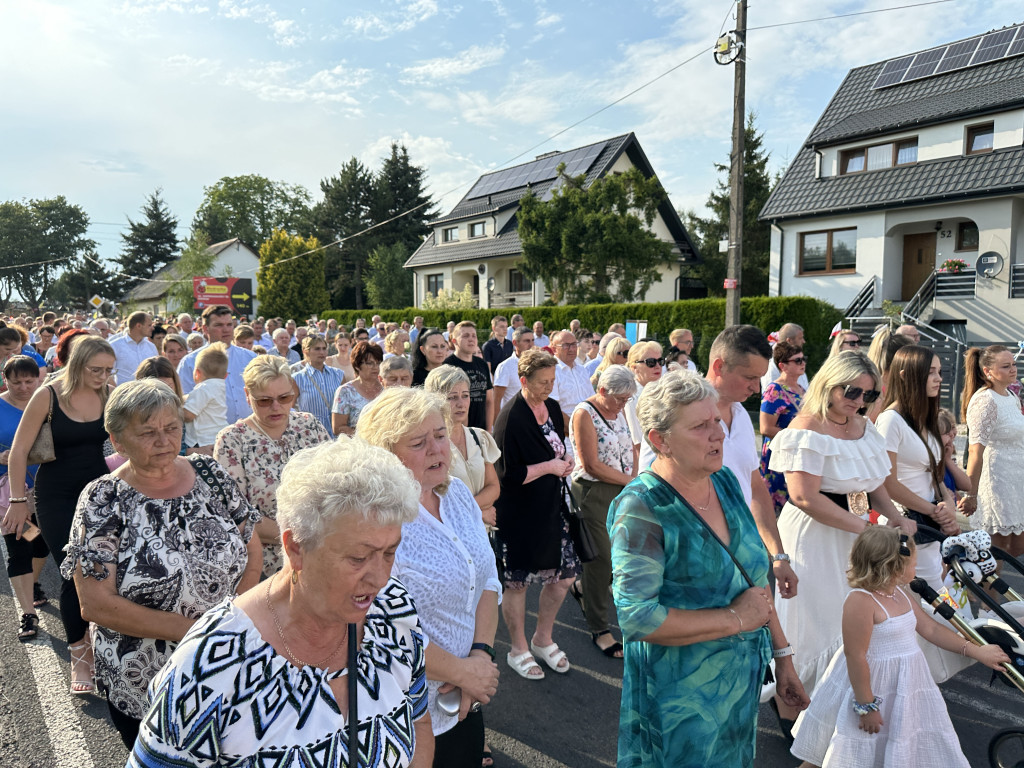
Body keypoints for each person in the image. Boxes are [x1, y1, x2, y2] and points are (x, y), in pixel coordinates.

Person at [129, 436, 435, 767]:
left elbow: (419, 722)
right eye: (359, 557)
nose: (379, 577)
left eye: (390, 552)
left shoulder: (391, 610)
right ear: (296, 547)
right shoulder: (209, 666)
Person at [609, 370, 808, 768]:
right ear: (659, 440)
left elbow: (753, 585)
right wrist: (735, 619)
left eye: (715, 420)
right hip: (678, 702)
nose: (718, 434)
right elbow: (637, 618)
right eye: (700, 426)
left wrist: (783, 656)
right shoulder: (643, 508)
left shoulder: (726, 484)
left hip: (738, 687)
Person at [60, 380, 260, 746]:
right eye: (148, 432)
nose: (164, 441)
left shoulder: (210, 474)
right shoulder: (103, 499)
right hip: (146, 677)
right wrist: (198, 633)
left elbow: (252, 547)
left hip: (229, 659)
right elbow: (95, 603)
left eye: (171, 428)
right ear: (117, 440)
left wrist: (237, 619)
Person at [768, 350, 916, 734]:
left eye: (867, 394)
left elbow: (876, 481)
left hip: (856, 533)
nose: (857, 400)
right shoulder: (805, 429)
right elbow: (804, 497)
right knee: (813, 623)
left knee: (850, 624)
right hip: (815, 536)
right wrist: (865, 528)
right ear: (830, 384)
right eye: (851, 390)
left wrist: (896, 518)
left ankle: (837, 712)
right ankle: (793, 715)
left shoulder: (864, 426)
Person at [357, 389, 500, 768]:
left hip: (462, 697)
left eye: (440, 434)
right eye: (419, 442)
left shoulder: (457, 496)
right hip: (405, 709)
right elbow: (377, 627)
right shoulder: (377, 522)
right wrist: (465, 673)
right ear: (385, 453)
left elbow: (487, 580)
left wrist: (481, 655)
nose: (438, 449)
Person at [790, 527, 1007, 768]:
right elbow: (856, 656)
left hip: (904, 685)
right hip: (870, 689)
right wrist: (866, 705)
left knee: (894, 748)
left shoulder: (900, 594)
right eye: (913, 563)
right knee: (839, 753)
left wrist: (976, 650)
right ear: (893, 568)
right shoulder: (861, 602)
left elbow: (931, 629)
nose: (917, 568)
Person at [3, 336, 114, 694]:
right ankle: (80, 656)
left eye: (108, 370)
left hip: (100, 493)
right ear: (78, 364)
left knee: (108, 570)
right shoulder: (47, 395)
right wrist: (18, 501)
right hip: (56, 495)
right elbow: (19, 451)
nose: (102, 376)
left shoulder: (108, 394)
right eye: (96, 369)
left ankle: (102, 640)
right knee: (73, 571)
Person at [493, 349, 578, 680]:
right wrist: (550, 467)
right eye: (543, 382)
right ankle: (518, 649)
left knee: (565, 577)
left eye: (553, 381)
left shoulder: (553, 407)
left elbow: (559, 445)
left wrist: (566, 461)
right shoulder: (511, 417)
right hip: (519, 515)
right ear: (523, 380)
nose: (549, 388)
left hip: (551, 511)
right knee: (517, 585)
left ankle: (543, 638)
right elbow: (507, 474)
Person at [215, 356, 331, 578]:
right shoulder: (232, 440)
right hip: (266, 568)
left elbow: (336, 483)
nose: (277, 407)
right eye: (265, 401)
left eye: (285, 397)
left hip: (321, 555)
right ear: (248, 397)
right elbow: (236, 515)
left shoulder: (309, 426)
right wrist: (303, 537)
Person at [568, 365, 636, 658]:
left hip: (619, 489)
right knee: (601, 559)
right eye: (620, 398)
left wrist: (631, 476)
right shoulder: (585, 413)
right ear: (603, 390)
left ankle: (583, 587)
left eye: (627, 399)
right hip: (593, 492)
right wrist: (631, 481)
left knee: (616, 557)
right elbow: (591, 464)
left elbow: (628, 446)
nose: (623, 405)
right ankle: (599, 627)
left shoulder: (616, 409)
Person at [959, 345, 1024, 557]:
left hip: (1016, 480)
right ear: (987, 371)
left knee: (1016, 548)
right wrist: (971, 493)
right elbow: (975, 451)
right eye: (1005, 366)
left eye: (1013, 364)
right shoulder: (985, 400)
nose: (1013, 370)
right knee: (995, 553)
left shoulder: (1010, 396)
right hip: (997, 482)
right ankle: (984, 591)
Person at [0, 356, 48, 642]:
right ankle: (27, 612)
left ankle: (34, 582)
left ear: (39, 378)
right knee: (19, 547)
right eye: (15, 382)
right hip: (10, 492)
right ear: (5, 380)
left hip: (46, 488)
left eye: (29, 381)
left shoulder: (48, 402)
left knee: (42, 546)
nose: (23, 387)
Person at [424, 365, 500, 527]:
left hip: (482, 537)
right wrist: (479, 512)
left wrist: (474, 511)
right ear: (435, 401)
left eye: (465, 396)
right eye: (452, 397)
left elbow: (493, 487)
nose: (461, 403)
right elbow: (433, 502)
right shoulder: (429, 446)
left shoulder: (478, 437)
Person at [178, 305, 257, 424]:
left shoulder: (251, 358)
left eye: (229, 325)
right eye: (218, 325)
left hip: (248, 432)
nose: (226, 330)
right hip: (209, 437)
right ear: (205, 329)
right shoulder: (190, 362)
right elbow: (184, 401)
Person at [760, 340, 806, 514]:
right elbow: (765, 428)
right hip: (779, 454)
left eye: (803, 359)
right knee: (779, 508)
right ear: (783, 366)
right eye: (797, 360)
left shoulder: (801, 388)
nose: (803, 364)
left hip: (796, 452)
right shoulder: (774, 390)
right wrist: (796, 435)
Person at [444, 321, 494, 430]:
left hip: (481, 430)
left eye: (474, 336)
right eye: (465, 336)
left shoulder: (482, 364)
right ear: (454, 341)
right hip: (457, 431)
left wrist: (489, 430)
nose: (471, 339)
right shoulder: (447, 366)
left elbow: (489, 400)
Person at [293, 334, 345, 436]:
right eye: (317, 349)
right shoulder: (297, 378)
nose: (322, 352)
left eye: (324, 349)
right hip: (311, 433)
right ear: (306, 351)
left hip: (337, 433)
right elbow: (290, 408)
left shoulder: (339, 374)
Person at [183, 342, 229, 455]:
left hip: (203, 441)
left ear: (197, 373)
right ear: (225, 376)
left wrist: (175, 408)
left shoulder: (203, 388)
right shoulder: (222, 387)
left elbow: (188, 415)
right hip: (219, 436)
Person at [622, 340, 663, 464]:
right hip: (647, 460)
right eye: (650, 362)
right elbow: (637, 441)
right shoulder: (632, 396)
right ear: (634, 368)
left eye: (661, 361)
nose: (657, 366)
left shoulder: (656, 390)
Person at [331, 340, 384, 436]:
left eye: (378, 363)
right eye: (369, 363)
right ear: (357, 365)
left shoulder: (386, 388)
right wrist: (366, 436)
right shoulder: (345, 391)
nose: (375, 367)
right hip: (357, 446)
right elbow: (338, 428)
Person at [551, 330, 594, 432]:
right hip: (566, 434)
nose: (571, 349)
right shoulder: (551, 371)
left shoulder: (581, 370)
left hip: (588, 428)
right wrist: (576, 430)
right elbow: (553, 408)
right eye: (566, 346)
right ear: (554, 349)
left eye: (574, 345)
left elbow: (592, 399)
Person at [492, 326, 534, 411]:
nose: (531, 344)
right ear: (515, 343)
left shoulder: (537, 364)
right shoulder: (505, 367)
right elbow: (496, 400)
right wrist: (496, 423)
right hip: (512, 417)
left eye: (533, 340)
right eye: (527, 341)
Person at [109, 311, 158, 386]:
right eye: (149, 325)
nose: (153, 328)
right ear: (138, 326)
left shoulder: (151, 347)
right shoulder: (115, 346)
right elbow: (108, 374)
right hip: (124, 394)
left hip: (148, 394)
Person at [761, 323, 809, 392]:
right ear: (789, 341)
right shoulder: (771, 365)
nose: (803, 341)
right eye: (800, 338)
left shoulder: (794, 356)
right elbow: (770, 393)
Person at [938, 409, 971, 497]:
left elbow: (966, 485)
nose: (952, 434)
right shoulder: (934, 457)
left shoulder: (949, 452)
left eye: (953, 427)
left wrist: (948, 460)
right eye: (946, 431)